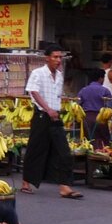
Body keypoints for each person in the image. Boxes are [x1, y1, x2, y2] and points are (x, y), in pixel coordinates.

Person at [21, 46, 83, 199]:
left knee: (64, 152)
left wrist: (57, 109)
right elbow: (33, 92)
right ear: (47, 58)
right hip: (42, 116)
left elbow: (57, 95)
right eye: (55, 57)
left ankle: (64, 186)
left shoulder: (60, 76)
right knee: (36, 149)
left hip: (55, 117)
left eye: (60, 57)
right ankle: (26, 182)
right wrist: (47, 109)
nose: (58, 60)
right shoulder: (38, 73)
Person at [77, 69, 111, 145]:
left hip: (87, 118)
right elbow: (110, 107)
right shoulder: (105, 91)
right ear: (100, 78)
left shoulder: (83, 90)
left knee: (88, 141)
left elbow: (77, 105)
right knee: (103, 142)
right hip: (102, 118)